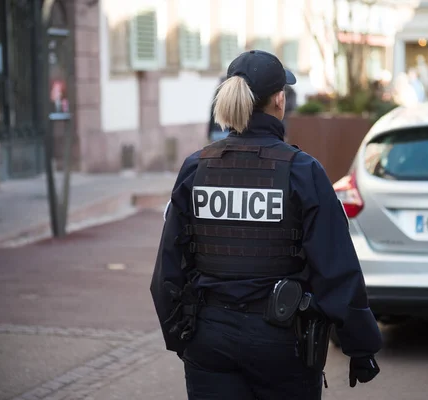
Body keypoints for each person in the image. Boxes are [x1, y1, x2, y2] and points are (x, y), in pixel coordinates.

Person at [150, 50, 382, 400]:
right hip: (282, 340)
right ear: (279, 99)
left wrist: (182, 336)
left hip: (209, 339)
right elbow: (335, 267)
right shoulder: (303, 171)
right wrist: (359, 345)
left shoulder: (196, 168)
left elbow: (168, 267)